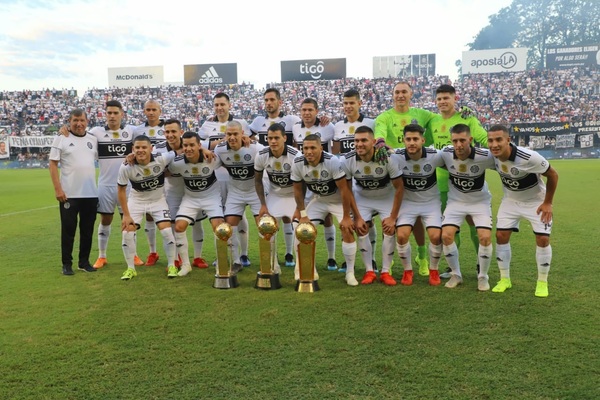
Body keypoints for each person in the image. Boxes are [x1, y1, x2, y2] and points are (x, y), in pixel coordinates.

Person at [487, 125, 559, 298]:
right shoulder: (491, 156)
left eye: (499, 140)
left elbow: (553, 175)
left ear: (508, 140)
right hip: (511, 201)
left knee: (542, 239)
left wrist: (548, 202)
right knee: (501, 236)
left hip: (536, 201)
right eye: (490, 140)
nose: (494, 144)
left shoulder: (528, 157)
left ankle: (542, 282)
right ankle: (505, 279)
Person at [373, 81, 435, 276]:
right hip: (392, 173)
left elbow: (444, 120)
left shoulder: (423, 114)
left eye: (404, 92)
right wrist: (381, 142)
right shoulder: (385, 116)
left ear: (411, 94)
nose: (400, 95)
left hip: (415, 170)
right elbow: (379, 131)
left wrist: (461, 112)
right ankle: (389, 260)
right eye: (397, 92)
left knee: (415, 218)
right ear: (392, 95)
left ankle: (422, 256)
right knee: (390, 217)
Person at [428, 84, 488, 279]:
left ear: (455, 98)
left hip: (467, 180)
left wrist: (502, 148)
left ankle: (481, 263)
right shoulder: (433, 121)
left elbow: (481, 137)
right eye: (439, 99)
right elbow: (424, 143)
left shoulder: (466, 117)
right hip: (442, 183)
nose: (443, 102)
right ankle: (453, 266)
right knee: (450, 227)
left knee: (474, 224)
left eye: (447, 98)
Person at [291, 134, 366, 286]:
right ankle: (305, 269)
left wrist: (346, 216)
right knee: (302, 230)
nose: (309, 151)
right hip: (319, 200)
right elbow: (298, 191)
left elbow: (345, 190)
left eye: (313, 148)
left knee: (346, 229)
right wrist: (302, 213)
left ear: (321, 148)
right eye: (305, 148)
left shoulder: (332, 161)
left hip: (338, 200)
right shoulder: (298, 162)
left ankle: (349, 272)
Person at [83, 100, 144, 269]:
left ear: (122, 114)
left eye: (115, 113)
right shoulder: (96, 132)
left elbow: (144, 144)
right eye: (109, 113)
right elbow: (79, 136)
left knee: (130, 221)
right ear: (105, 114)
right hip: (106, 185)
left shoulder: (131, 131)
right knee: (105, 219)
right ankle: (102, 256)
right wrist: (65, 130)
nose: (112, 116)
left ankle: (134, 255)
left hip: (127, 185)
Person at [341, 126, 404, 286]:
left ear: (374, 142)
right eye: (356, 141)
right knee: (362, 228)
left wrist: (393, 217)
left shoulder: (387, 158)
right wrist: (357, 216)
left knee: (389, 229)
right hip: (363, 197)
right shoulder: (348, 159)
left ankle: (385, 271)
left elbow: (399, 188)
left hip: (385, 197)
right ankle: (369, 271)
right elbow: (347, 189)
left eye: (364, 140)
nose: (359, 144)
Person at [439, 124, 496, 291]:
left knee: (484, 237)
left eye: (462, 140)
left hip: (480, 202)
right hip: (456, 202)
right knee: (446, 236)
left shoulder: (485, 156)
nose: (458, 145)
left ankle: (483, 277)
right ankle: (456, 275)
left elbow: (505, 158)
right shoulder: (446, 153)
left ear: (470, 140)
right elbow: (423, 156)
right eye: (455, 141)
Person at [200, 92, 252, 267]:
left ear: (229, 105)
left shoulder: (241, 123)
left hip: (235, 176)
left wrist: (239, 139)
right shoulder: (207, 125)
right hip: (216, 177)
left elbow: (251, 142)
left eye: (222, 104)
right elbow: (200, 147)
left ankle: (243, 255)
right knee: (221, 218)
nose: (219, 108)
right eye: (216, 105)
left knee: (239, 216)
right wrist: (224, 142)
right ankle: (223, 254)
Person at [117, 136, 177, 280]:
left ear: (151, 148)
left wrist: (202, 149)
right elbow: (120, 190)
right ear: (133, 149)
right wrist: (126, 215)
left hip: (157, 200)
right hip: (136, 200)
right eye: (137, 147)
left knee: (167, 232)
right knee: (127, 233)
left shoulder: (162, 158)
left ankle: (171, 265)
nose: (141, 150)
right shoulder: (126, 166)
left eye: (144, 147)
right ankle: (130, 268)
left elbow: (177, 151)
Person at [393, 124, 445, 286]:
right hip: (408, 203)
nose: (412, 142)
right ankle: (408, 270)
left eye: (416, 139)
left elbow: (453, 158)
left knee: (436, 236)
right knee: (401, 236)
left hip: (430, 202)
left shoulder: (435, 155)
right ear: (403, 140)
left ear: (423, 140)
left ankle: (434, 270)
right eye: (408, 139)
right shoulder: (396, 156)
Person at [167, 131, 225, 277]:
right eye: (185, 145)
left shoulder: (211, 158)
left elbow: (226, 159)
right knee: (179, 227)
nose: (188, 148)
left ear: (199, 145)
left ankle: (221, 263)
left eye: (192, 145)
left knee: (219, 228)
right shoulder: (177, 162)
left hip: (211, 197)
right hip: (190, 198)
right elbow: (168, 172)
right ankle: (186, 265)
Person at [332, 89, 378, 274]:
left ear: (360, 103)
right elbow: (336, 153)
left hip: (369, 178)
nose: (348, 106)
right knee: (351, 220)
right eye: (345, 103)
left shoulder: (371, 123)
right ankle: (348, 260)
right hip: (348, 179)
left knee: (369, 222)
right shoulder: (337, 126)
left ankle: (372, 260)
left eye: (352, 103)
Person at [49, 109, 98, 275]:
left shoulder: (93, 139)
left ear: (87, 121)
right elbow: (53, 164)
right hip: (69, 194)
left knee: (87, 231)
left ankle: (84, 262)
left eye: (82, 120)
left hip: (90, 194)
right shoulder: (61, 138)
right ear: (69, 122)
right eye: (75, 120)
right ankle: (66, 264)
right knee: (68, 231)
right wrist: (58, 189)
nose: (79, 123)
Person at [291, 98, 338, 271]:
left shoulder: (328, 126)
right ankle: (301, 260)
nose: (307, 113)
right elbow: (297, 150)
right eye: (303, 110)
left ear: (317, 111)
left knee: (327, 218)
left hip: (326, 177)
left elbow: (336, 150)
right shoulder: (296, 127)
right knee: (303, 218)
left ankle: (331, 258)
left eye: (310, 109)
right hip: (308, 178)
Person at [214, 120, 264, 272]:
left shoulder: (255, 148)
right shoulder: (220, 149)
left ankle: (269, 263)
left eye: (235, 134)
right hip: (235, 192)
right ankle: (236, 261)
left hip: (255, 192)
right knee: (228, 227)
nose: (232, 137)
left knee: (264, 226)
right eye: (229, 134)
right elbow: (209, 161)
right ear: (225, 135)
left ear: (243, 134)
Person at [254, 123, 300, 268]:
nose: (273, 141)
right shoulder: (261, 155)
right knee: (265, 229)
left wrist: (301, 207)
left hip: (294, 196)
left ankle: (302, 268)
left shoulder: (295, 156)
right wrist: (263, 204)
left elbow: (302, 184)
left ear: (284, 138)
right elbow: (257, 181)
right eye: (270, 138)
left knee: (301, 231)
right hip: (275, 195)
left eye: (276, 138)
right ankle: (272, 267)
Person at [134, 99, 166, 266]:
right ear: (144, 111)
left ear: (160, 111)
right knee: (149, 215)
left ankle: (176, 253)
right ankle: (153, 252)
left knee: (170, 216)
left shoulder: (167, 128)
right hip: (148, 177)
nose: (151, 112)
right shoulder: (138, 130)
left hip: (167, 177)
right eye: (148, 109)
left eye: (154, 109)